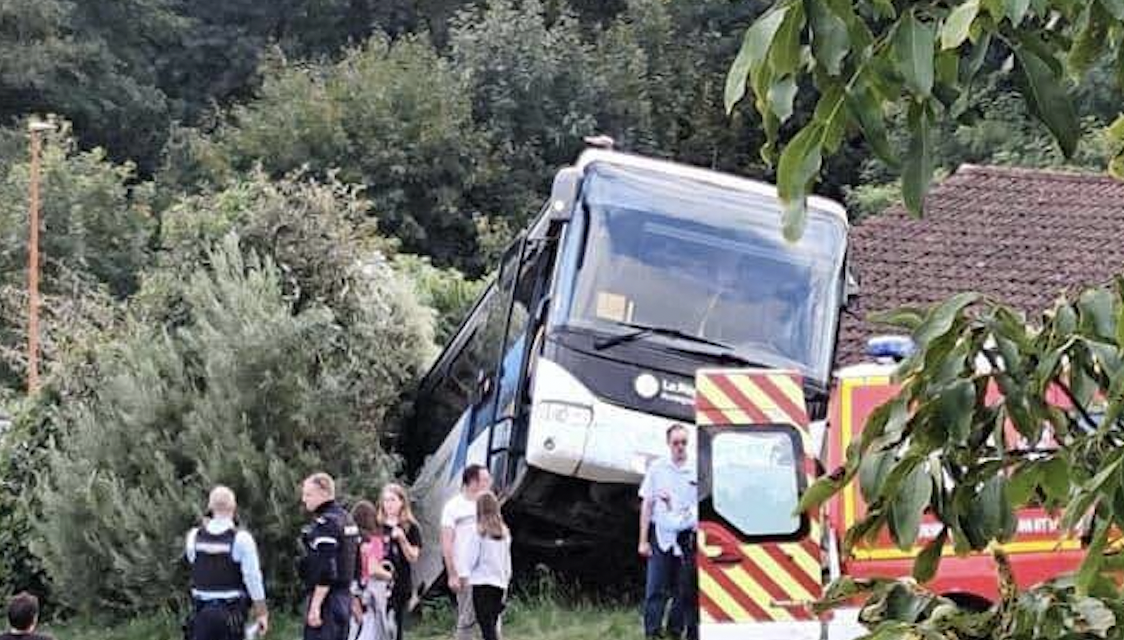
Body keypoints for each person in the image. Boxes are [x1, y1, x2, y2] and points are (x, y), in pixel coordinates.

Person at [184, 486, 269, 640]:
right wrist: (262, 612)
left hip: (201, 613)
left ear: (210, 507)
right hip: (231, 615)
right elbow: (253, 578)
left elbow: (194, 562)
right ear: (234, 507)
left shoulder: (194, 536)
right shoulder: (242, 539)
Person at [638, 424, 697, 640]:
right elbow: (647, 505)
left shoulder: (696, 468)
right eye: (676, 443)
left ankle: (675, 630)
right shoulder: (657, 468)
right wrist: (643, 541)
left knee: (684, 589)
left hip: (686, 537)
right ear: (668, 444)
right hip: (661, 534)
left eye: (684, 442)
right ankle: (652, 633)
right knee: (656, 588)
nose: (680, 447)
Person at [299, 473, 361, 640]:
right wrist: (355, 596)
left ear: (323, 493)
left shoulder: (326, 524)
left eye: (308, 494)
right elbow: (357, 562)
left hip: (329, 600)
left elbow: (327, 569)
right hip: (344, 597)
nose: (304, 499)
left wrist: (315, 606)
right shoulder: (347, 520)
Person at [441, 464, 492, 640]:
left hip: (490, 574)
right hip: (465, 574)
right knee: (467, 623)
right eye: (485, 479)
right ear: (472, 482)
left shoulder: (489, 505)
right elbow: (447, 542)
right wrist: (452, 574)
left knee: (493, 624)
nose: (489, 482)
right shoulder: (453, 506)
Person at [376, 484, 422, 639]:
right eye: (386, 500)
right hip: (379, 582)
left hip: (400, 582)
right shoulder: (377, 526)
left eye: (392, 500)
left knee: (396, 626)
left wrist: (402, 540)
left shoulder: (411, 527)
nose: (388, 504)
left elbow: (413, 556)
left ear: (402, 502)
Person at [465, 492, 512, 640]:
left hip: (481, 583)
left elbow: (471, 559)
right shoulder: (504, 533)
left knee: (486, 627)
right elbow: (507, 562)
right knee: (492, 624)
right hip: (499, 584)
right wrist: (506, 581)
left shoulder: (478, 532)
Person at [350, 500, 395, 640]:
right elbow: (373, 569)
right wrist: (389, 576)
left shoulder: (351, 540)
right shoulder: (373, 540)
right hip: (369, 593)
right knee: (371, 631)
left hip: (352, 590)